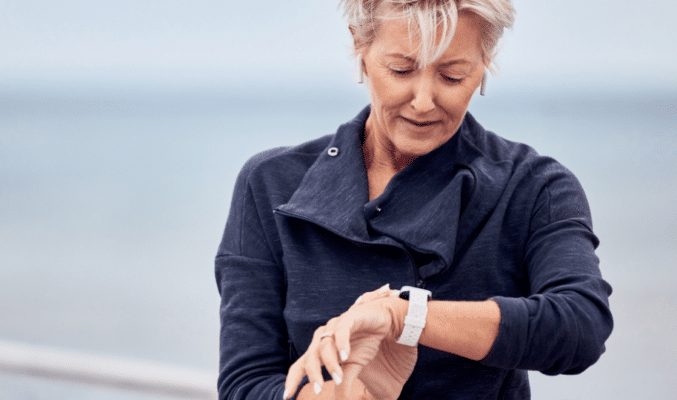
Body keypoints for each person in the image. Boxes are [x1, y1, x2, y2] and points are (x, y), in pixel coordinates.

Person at [214, 0, 613, 399]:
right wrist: (338, 395)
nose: (423, 101)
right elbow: (244, 382)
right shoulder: (271, 183)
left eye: (452, 76)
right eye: (401, 70)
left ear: (484, 60)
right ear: (360, 48)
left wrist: (404, 316)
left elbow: (581, 325)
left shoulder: (532, 186)